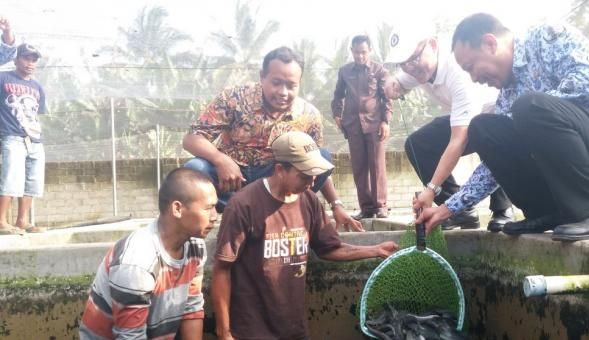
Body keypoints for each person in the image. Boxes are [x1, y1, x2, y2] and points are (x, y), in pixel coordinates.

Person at [417, 13, 589, 241]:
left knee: (528, 107)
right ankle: (547, 213)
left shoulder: (547, 37)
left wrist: (525, 117)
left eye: (471, 67)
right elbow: (491, 169)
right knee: (483, 128)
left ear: (490, 44)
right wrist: (446, 210)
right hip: (576, 160)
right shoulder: (508, 95)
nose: (474, 78)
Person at [211, 131, 398, 340]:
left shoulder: (309, 201)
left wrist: (374, 250)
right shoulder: (244, 205)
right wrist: (224, 335)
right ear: (280, 169)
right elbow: (222, 270)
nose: (311, 182)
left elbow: (328, 249)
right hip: (252, 335)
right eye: (304, 175)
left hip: (294, 331)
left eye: (314, 175)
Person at [183, 46, 362, 231]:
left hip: (274, 182)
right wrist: (221, 160)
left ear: (299, 83)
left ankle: (274, 210)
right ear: (262, 76)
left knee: (323, 156)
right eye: (276, 82)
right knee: (194, 170)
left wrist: (337, 205)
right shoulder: (233, 98)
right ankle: (239, 211)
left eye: (291, 85)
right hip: (232, 180)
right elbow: (192, 139)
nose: (283, 92)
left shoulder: (309, 115)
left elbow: (315, 165)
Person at [75, 168, 218, 340]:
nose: (215, 216)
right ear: (177, 209)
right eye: (208, 208)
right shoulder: (137, 262)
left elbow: (192, 308)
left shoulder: (195, 246)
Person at [383, 27, 514, 232]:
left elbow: (458, 140)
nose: (410, 67)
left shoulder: (458, 73)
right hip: (463, 116)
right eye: (403, 63)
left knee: (485, 133)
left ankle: (503, 209)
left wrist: (431, 189)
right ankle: (462, 211)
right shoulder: (416, 69)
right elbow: (398, 80)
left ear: (433, 45)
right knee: (417, 144)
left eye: (414, 58)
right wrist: (393, 84)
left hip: (496, 116)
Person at [331, 35, 392, 220]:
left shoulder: (379, 71)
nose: (360, 56)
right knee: (359, 167)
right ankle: (366, 208)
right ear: (352, 51)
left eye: (363, 52)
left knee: (377, 166)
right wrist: (337, 115)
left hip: (375, 125)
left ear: (370, 51)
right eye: (356, 52)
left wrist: (385, 121)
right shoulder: (344, 71)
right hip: (353, 125)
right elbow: (338, 95)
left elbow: (387, 97)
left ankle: (380, 206)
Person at [0, 43, 46, 235]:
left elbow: (37, 113)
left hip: (34, 139)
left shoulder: (37, 87)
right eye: (26, 58)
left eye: (34, 59)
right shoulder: (4, 78)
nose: (30, 63)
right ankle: (1, 222)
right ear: (17, 59)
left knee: (32, 182)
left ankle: (22, 221)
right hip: (11, 136)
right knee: (11, 178)